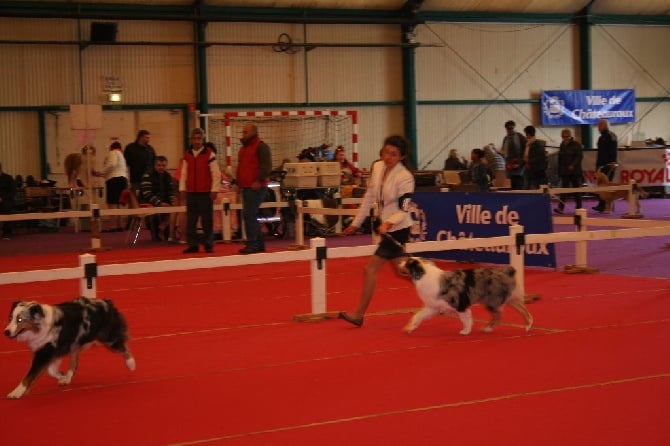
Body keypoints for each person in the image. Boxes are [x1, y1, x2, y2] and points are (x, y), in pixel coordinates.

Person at [338, 135, 415, 327]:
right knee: (403, 270)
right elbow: (370, 195)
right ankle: (441, 293)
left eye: (393, 154)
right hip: (386, 228)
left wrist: (388, 223)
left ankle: (358, 315)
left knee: (370, 268)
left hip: (398, 228)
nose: (388, 157)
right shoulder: (378, 167)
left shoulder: (405, 177)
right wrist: (356, 222)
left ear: (402, 157)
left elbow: (403, 209)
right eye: (386, 152)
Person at [179, 128, 221, 253]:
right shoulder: (187, 154)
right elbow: (184, 173)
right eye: (195, 138)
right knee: (191, 220)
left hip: (205, 192)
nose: (197, 141)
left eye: (199, 139)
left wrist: (214, 189)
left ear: (203, 140)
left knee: (207, 220)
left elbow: (216, 174)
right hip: (191, 192)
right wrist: (182, 189)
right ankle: (193, 244)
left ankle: (209, 244)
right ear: (191, 140)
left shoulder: (210, 154)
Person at [236, 123, 272, 254]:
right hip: (247, 186)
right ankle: (259, 244)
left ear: (253, 133)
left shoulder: (261, 147)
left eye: (245, 132)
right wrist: (239, 185)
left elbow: (266, 166)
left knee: (249, 215)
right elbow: (240, 168)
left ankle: (252, 244)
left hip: (256, 187)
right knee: (250, 215)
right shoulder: (244, 149)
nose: (243, 134)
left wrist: (258, 180)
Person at [140, 155, 176, 242]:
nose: (161, 167)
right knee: (155, 211)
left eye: (163, 165)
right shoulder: (147, 175)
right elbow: (147, 194)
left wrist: (173, 202)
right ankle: (156, 233)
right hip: (149, 202)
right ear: (154, 165)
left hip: (164, 202)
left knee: (175, 211)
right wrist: (160, 203)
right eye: (159, 165)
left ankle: (168, 232)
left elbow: (171, 191)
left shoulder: (168, 176)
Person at [98, 141, 128, 232]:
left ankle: (112, 226)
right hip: (123, 180)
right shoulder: (122, 156)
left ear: (112, 148)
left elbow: (111, 165)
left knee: (112, 203)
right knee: (119, 203)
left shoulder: (113, 152)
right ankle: (119, 225)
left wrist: (101, 172)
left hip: (114, 180)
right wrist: (101, 174)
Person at [554, 129, 584, 214]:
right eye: (563, 137)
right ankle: (560, 208)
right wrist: (559, 171)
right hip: (565, 172)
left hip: (575, 171)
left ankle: (579, 208)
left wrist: (573, 165)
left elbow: (579, 157)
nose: (565, 138)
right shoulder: (562, 145)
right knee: (563, 191)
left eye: (566, 136)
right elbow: (560, 159)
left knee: (577, 191)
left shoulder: (576, 145)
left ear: (570, 136)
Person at [593, 119, 618, 213]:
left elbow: (614, 150)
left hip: (609, 164)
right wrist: (597, 166)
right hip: (601, 165)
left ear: (605, 125)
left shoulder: (611, 136)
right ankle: (602, 205)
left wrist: (613, 162)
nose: (598, 127)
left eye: (600, 125)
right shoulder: (601, 137)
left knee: (607, 186)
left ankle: (608, 206)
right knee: (601, 186)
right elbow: (600, 153)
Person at [501, 120, 527, 190]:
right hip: (509, 166)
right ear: (506, 129)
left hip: (519, 165)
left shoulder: (520, 137)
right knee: (511, 185)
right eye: (508, 129)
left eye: (511, 128)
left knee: (518, 184)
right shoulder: (506, 139)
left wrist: (521, 162)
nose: (510, 130)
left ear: (514, 127)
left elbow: (526, 150)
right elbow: (504, 152)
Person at [523, 125, 548, 190]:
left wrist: (528, 161)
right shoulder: (527, 144)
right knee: (526, 187)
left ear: (529, 134)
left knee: (534, 188)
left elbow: (539, 158)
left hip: (536, 171)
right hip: (528, 169)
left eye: (526, 134)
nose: (526, 136)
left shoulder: (538, 145)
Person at [0, 162, 17, 240]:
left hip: (7, 200)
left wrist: (2, 198)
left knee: (6, 207)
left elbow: (13, 192)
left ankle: (7, 232)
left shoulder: (8, 178)